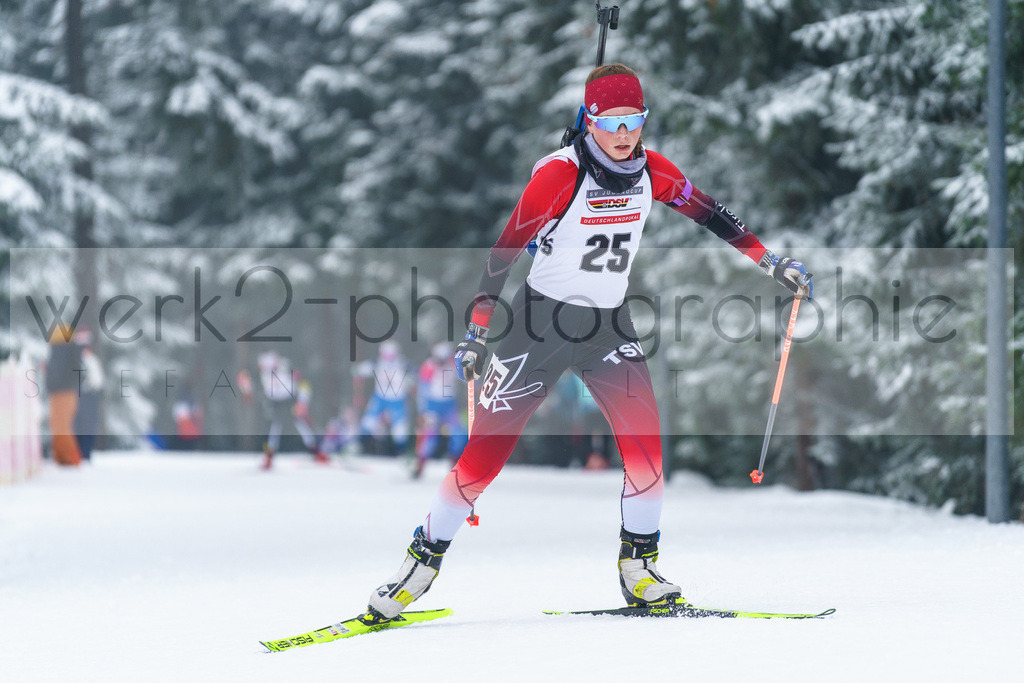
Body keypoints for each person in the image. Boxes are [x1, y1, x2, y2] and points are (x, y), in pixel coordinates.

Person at [365, 64, 812, 620]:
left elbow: (712, 215)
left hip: (607, 327)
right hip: (538, 327)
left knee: (647, 448)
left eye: (636, 120)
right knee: (484, 458)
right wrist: (478, 333)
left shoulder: (653, 172)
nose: (626, 135)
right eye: (612, 122)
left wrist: (771, 263)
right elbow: (502, 254)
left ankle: (639, 570)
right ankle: (419, 565)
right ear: (589, 119)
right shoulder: (559, 175)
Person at [257, 351, 328, 470]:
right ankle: (269, 455)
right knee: (275, 427)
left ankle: (315, 451)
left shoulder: (285, 368)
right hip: (277, 402)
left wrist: (302, 403)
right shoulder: (266, 374)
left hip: (289, 400)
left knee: (300, 424)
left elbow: (303, 385)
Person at [413, 342, 467, 478]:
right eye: (439, 359)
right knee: (429, 436)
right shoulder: (428, 366)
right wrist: (422, 411)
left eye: (443, 360)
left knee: (459, 434)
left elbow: (468, 378)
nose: (441, 363)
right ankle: (420, 465)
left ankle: (455, 466)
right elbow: (422, 390)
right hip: (432, 405)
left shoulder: (454, 364)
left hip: (450, 405)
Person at [354, 340, 412, 456]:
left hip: (398, 401)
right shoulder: (376, 362)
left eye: (390, 355)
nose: (387, 359)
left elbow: (416, 378)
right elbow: (357, 371)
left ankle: (402, 453)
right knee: (367, 423)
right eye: (385, 355)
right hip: (380, 399)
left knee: (400, 430)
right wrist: (358, 394)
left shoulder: (403, 363)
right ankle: (359, 448)